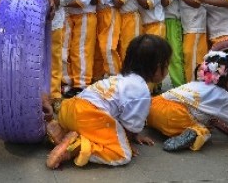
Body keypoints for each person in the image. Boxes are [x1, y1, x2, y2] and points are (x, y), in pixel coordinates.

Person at [46, 34, 172, 169]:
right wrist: (123, 143)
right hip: (88, 116)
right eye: (167, 65)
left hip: (69, 109)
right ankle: (76, 147)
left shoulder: (120, 78)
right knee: (122, 154)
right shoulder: (141, 91)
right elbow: (129, 127)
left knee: (93, 123)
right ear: (158, 67)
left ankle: (61, 130)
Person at [147, 51, 228, 151]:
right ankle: (195, 133)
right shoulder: (222, 96)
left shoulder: (195, 83)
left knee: (197, 114)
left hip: (152, 108)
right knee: (204, 129)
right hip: (172, 116)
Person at [62, 0, 100, 97]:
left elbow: (81, 1)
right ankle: (66, 82)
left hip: (84, 17)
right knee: (65, 51)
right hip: (68, 17)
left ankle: (81, 84)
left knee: (81, 51)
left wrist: (58, 0)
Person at [92, 0, 121, 82]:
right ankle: (96, 77)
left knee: (108, 47)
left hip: (109, 15)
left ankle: (114, 78)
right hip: (97, 16)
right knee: (97, 48)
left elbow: (97, 0)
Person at [156, 0, 185, 88]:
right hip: (158, 23)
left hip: (172, 23)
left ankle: (179, 86)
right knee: (157, 55)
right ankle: (155, 85)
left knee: (174, 56)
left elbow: (165, 2)